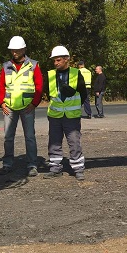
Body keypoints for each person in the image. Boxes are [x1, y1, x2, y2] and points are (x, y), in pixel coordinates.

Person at [0, 36, 43, 177]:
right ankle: (7, 164)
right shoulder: (6, 66)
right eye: (12, 50)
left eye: (17, 50)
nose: (14, 52)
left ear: (23, 49)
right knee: (8, 137)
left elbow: (39, 86)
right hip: (9, 107)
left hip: (27, 107)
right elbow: (1, 86)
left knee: (30, 137)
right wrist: (1, 103)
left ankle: (32, 165)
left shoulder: (33, 65)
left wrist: (34, 103)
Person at [43, 46, 87, 181]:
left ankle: (78, 168)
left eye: (58, 60)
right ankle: (55, 168)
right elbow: (47, 92)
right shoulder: (50, 74)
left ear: (66, 59)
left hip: (71, 117)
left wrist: (73, 106)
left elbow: (83, 94)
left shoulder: (76, 73)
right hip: (55, 116)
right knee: (54, 143)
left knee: (74, 142)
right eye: (54, 61)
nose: (55, 63)